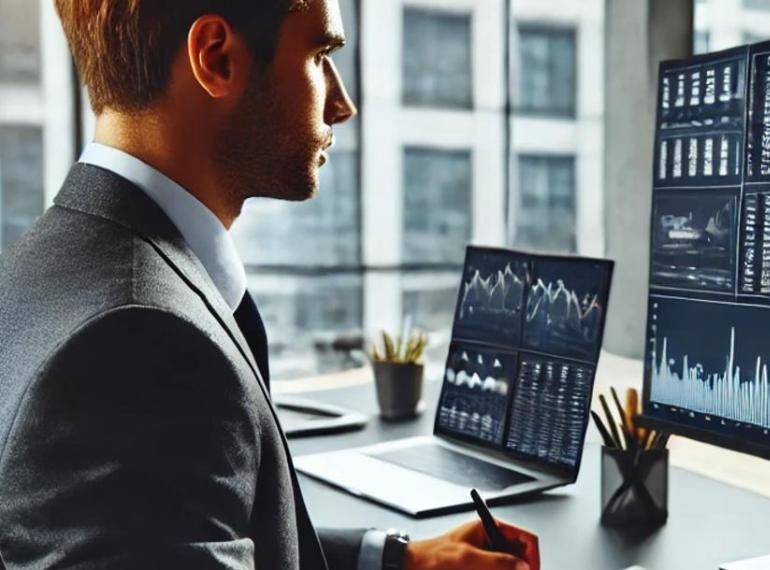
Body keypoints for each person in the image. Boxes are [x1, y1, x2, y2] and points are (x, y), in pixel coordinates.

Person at [0, 1, 540, 569]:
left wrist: (395, 559)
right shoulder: (141, 345)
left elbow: (180, 529)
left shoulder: (49, 263)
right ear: (217, 58)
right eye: (319, 55)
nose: (342, 104)